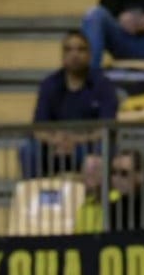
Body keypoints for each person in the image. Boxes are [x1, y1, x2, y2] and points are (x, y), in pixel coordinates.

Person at [19, 30, 118, 179]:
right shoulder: (49, 84)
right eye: (69, 49)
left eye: (81, 49)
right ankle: (35, 197)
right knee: (28, 149)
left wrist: (76, 140)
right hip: (55, 148)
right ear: (62, 55)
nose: (75, 54)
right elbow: (38, 128)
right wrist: (55, 140)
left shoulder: (103, 85)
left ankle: (97, 199)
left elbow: (107, 127)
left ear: (90, 55)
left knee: (104, 148)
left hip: (87, 147)